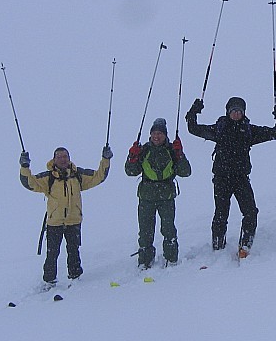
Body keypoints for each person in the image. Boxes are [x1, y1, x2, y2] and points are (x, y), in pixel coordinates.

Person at [186, 96, 276, 258]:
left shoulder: (248, 130)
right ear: (228, 112)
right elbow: (193, 128)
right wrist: (193, 112)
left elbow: (274, 133)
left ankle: (245, 245)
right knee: (221, 214)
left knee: (250, 212)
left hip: (241, 178)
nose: (236, 114)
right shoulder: (219, 128)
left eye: (239, 111)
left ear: (243, 113)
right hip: (221, 178)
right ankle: (218, 245)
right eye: (233, 111)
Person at [19, 145, 112, 284]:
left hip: (74, 221)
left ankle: (75, 277)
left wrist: (106, 159)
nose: (63, 159)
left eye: (65, 156)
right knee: (52, 253)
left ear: (69, 158)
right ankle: (49, 280)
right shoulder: (48, 177)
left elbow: (99, 177)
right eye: (59, 157)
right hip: (55, 222)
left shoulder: (78, 175)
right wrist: (24, 166)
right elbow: (29, 183)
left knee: (74, 251)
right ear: (54, 159)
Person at [125, 118, 192, 268]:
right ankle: (145, 260)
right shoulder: (144, 150)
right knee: (145, 231)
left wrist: (180, 155)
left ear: (165, 135)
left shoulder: (172, 150)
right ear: (150, 134)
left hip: (166, 197)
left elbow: (186, 172)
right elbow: (130, 172)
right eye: (154, 133)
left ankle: (171, 258)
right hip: (147, 197)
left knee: (168, 229)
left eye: (160, 133)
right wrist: (132, 157)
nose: (157, 136)